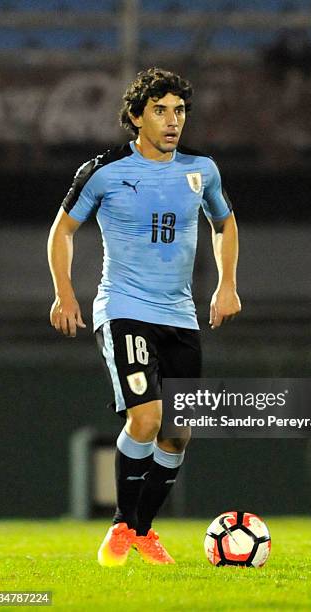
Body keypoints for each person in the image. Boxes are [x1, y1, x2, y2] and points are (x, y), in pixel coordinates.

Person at [47, 67, 241, 566]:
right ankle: (120, 525)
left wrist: (226, 284)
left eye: (179, 111)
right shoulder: (104, 170)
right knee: (146, 417)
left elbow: (224, 222)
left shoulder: (203, 170)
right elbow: (62, 231)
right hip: (124, 309)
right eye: (160, 110)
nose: (172, 120)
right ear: (136, 116)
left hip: (180, 314)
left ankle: (143, 530)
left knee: (177, 430)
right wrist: (64, 294)